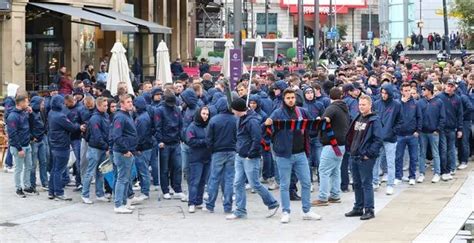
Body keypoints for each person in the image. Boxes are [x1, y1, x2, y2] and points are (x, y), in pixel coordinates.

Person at [265, 88, 322, 223]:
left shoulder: (302, 111)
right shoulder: (278, 113)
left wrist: (319, 122)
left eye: (292, 97)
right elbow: (267, 129)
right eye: (288, 98)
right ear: (284, 99)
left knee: (307, 183)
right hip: (283, 155)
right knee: (285, 185)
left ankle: (306, 210)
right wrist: (267, 124)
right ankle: (286, 211)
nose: (291, 100)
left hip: (301, 153)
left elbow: (312, 126)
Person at [226, 98, 280, 220]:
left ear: (239, 110)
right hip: (240, 155)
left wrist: (251, 154)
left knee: (254, 183)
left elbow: (257, 139)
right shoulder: (241, 118)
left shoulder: (252, 121)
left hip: (250, 157)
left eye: (234, 110)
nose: (233, 112)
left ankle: (272, 203)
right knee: (238, 183)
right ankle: (240, 210)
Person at [345, 95, 383, 220]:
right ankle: (358, 207)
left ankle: (369, 210)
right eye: (360, 105)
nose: (361, 107)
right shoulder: (358, 117)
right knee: (356, 183)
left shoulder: (374, 120)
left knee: (366, 183)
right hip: (354, 155)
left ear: (370, 105)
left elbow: (378, 140)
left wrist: (368, 154)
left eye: (364, 105)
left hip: (365, 157)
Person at [312, 87, 350, 206]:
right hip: (341, 144)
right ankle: (335, 195)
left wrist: (318, 120)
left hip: (331, 144)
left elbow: (325, 122)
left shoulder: (332, 108)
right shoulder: (344, 108)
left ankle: (323, 197)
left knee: (323, 170)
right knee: (335, 170)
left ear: (329, 96)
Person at [48, 95, 85, 200]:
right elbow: (72, 127)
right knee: (59, 170)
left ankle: (51, 192)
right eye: (62, 102)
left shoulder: (51, 113)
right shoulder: (60, 116)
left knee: (54, 169)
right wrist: (79, 127)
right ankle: (59, 192)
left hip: (54, 144)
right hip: (62, 145)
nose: (64, 104)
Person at [205, 97, 237, 214]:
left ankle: (210, 204)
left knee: (214, 178)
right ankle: (228, 206)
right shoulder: (235, 119)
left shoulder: (214, 120)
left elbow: (208, 139)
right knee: (229, 179)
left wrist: (212, 150)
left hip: (217, 152)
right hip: (232, 151)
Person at [373, 84, 403, 195]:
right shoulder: (376, 104)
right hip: (378, 137)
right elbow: (373, 120)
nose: (384, 95)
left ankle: (390, 185)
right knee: (375, 161)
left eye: (386, 93)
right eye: (382, 92)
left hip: (390, 138)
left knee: (390, 162)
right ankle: (375, 182)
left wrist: (393, 131)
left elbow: (400, 121)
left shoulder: (396, 105)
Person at [154, 91, 185, 201]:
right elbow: (157, 127)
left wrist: (182, 138)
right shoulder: (159, 110)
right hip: (165, 143)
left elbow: (181, 125)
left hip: (175, 142)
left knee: (177, 167)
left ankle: (177, 189)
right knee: (164, 169)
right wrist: (160, 140)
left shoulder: (176, 109)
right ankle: (165, 190)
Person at [111, 94, 138, 213]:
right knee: (122, 178)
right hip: (122, 153)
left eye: (131, 101)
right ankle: (118, 205)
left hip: (129, 151)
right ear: (121, 104)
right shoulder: (120, 117)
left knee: (126, 178)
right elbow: (116, 136)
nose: (130, 103)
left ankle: (124, 202)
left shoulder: (127, 115)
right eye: (128, 102)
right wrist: (125, 150)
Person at [81, 97, 110, 204]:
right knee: (90, 171)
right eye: (104, 106)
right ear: (98, 106)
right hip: (95, 148)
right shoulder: (95, 119)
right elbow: (97, 136)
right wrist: (106, 146)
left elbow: (107, 132)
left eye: (107, 105)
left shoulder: (105, 116)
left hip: (102, 147)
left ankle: (100, 194)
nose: (106, 108)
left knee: (101, 172)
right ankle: (85, 194)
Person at [7, 94, 35, 197]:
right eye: (27, 101)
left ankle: (27, 186)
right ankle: (18, 188)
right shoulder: (13, 116)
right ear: (21, 102)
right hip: (19, 147)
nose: (28, 104)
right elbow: (12, 134)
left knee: (29, 166)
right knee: (18, 168)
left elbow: (29, 126)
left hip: (27, 145)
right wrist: (19, 149)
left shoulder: (24, 113)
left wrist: (31, 114)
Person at [395, 83, 422, 185]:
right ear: (401, 91)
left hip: (412, 134)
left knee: (414, 157)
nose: (407, 92)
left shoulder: (415, 103)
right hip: (400, 135)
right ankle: (398, 176)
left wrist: (418, 131)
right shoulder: (397, 103)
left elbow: (419, 117)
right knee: (398, 156)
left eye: (409, 90)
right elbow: (394, 118)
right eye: (405, 90)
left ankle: (412, 176)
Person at [417, 82, 445, 183]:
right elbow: (418, 117)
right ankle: (421, 173)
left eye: (424, 89)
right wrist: (418, 129)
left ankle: (437, 173)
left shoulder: (439, 102)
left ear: (429, 90)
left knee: (435, 153)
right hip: (423, 132)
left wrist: (438, 129)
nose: (423, 91)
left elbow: (442, 117)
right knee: (422, 153)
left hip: (434, 132)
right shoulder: (420, 102)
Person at [185, 106, 211, 213]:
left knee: (202, 181)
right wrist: (204, 142)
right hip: (196, 158)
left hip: (207, 157)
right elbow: (190, 141)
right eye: (203, 113)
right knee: (194, 181)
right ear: (199, 113)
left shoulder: (208, 126)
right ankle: (191, 202)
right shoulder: (192, 126)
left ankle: (199, 201)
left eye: (207, 114)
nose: (205, 116)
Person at [130, 96, 156, 203]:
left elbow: (141, 136)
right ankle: (144, 189)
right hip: (146, 146)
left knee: (143, 170)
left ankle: (145, 192)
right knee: (143, 170)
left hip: (143, 148)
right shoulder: (144, 116)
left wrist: (138, 148)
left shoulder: (141, 119)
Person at [438, 80, 463, 181]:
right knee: (443, 150)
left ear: (454, 88)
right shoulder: (440, 97)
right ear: (445, 86)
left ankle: (450, 169)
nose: (449, 88)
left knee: (450, 150)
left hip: (452, 128)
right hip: (442, 128)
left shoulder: (457, 99)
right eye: (448, 86)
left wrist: (460, 129)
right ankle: (444, 171)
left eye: (451, 86)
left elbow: (460, 114)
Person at [29, 96, 48, 191]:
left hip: (41, 139)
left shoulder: (41, 112)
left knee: (43, 161)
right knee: (33, 164)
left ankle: (45, 182)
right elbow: (26, 127)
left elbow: (44, 123)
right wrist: (32, 137)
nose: (43, 105)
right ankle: (32, 184)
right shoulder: (29, 113)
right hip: (34, 141)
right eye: (42, 103)